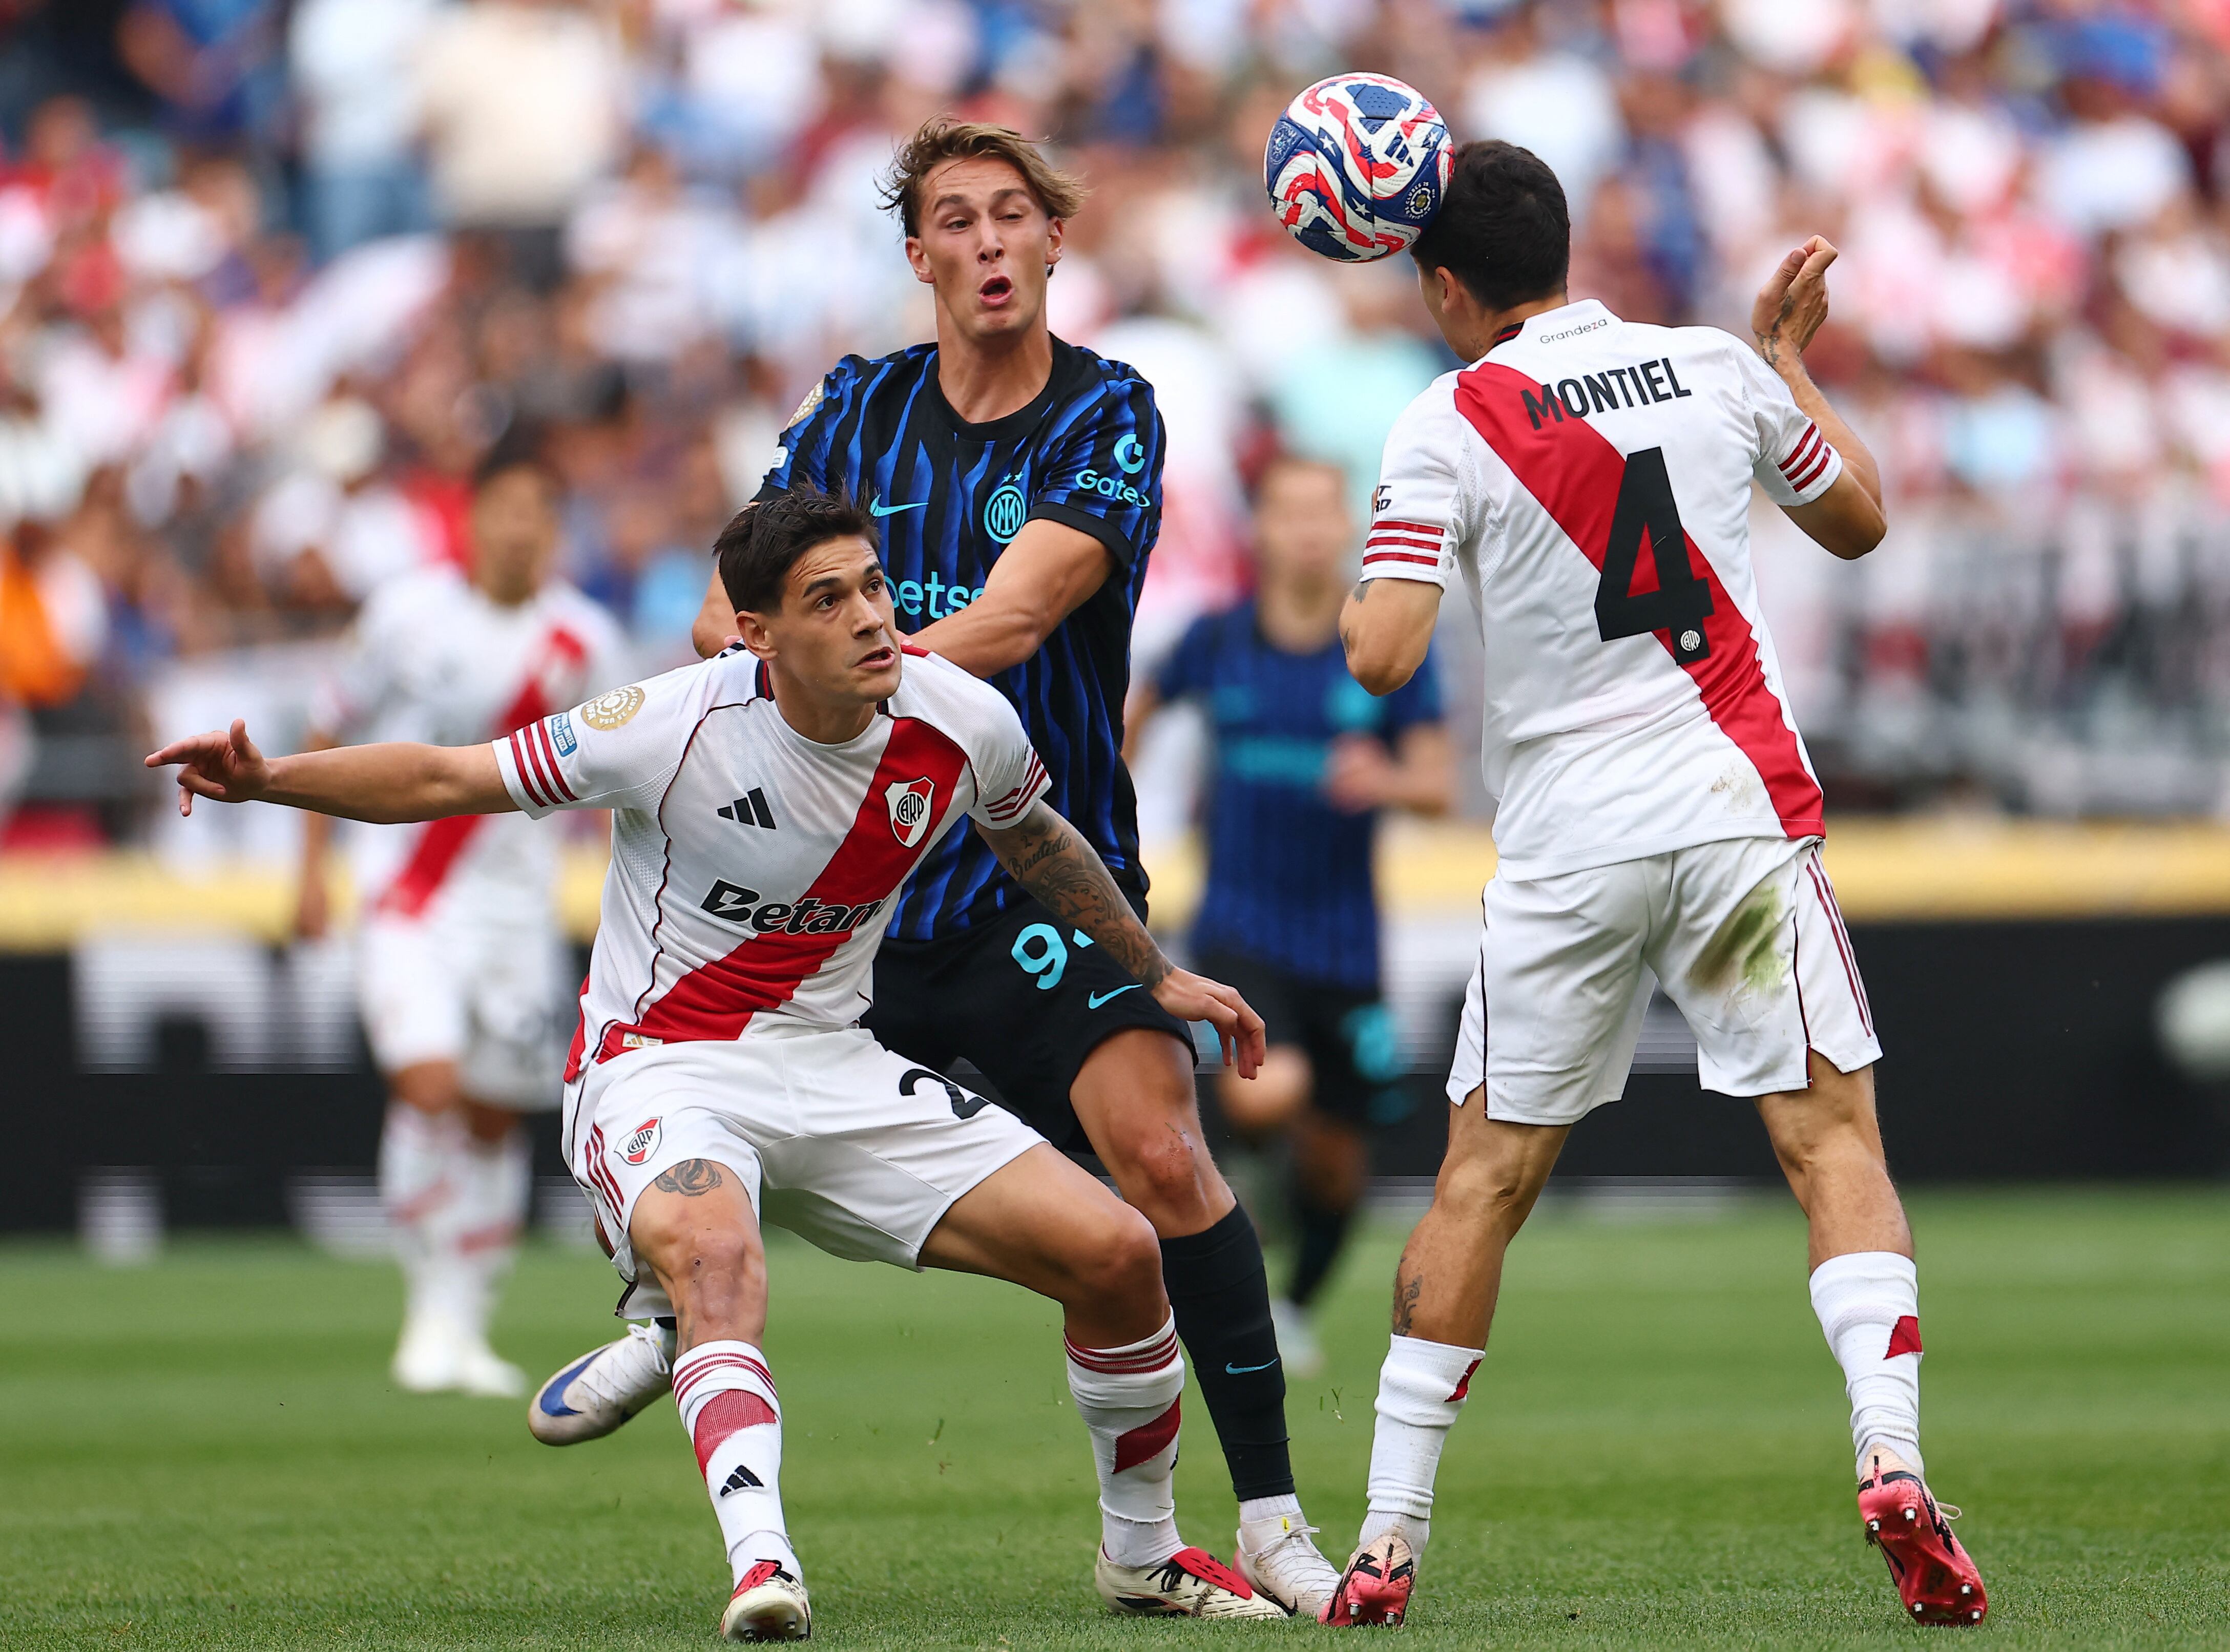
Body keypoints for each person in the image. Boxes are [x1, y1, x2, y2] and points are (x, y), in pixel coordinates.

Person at [151, 490, 1288, 1637]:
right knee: (719, 1256)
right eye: (826, 600)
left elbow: (1032, 835)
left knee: (1118, 1253)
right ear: (756, 634)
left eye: (874, 586)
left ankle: (1141, 1554)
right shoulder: (669, 723)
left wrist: (1155, 974)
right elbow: (449, 777)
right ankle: (763, 1563)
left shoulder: (958, 715)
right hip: (661, 1063)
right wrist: (270, 777)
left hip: (831, 1058)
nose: (871, 618)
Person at [536, 118, 1344, 1614]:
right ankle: (667, 1305)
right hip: (842, 901)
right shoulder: (854, 406)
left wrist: (847, 679)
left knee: (1165, 1159)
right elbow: (724, 613)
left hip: (1031, 876)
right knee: (684, 1081)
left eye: (1012, 215)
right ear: (918, 256)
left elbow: (1022, 616)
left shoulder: (1109, 410)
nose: (987, 242)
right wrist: (792, 680)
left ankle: (1275, 1523)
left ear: (1053, 239)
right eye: (955, 220)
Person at [1319, 142, 1989, 1629]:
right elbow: (1859, 518)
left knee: (1481, 1183)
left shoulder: (1444, 418)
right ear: (1564, 251)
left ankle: (1383, 1538)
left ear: (1444, 286)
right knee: (1829, 1142)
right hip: (1734, 813)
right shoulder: (1709, 364)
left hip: (1568, 847)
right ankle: (1889, 1457)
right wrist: (1786, 362)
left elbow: (1381, 653)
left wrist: (1357, 574)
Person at [296, 433, 627, 1397]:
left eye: (540, 512)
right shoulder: (406, 615)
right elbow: (328, 725)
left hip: (516, 912)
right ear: (473, 516)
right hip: (408, 894)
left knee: (492, 1116)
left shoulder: (585, 640)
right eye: (507, 508)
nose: (522, 528)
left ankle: (469, 1320)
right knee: (428, 1084)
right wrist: (310, 872)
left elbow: (623, 777)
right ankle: (426, 1309)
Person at [1126, 452, 1451, 1376]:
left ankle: (1294, 1305)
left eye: (1322, 511)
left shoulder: (1385, 649)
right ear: (1259, 529)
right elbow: (1131, 718)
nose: (1307, 530)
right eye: (1288, 511)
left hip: (1343, 940)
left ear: (1347, 527)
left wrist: (1387, 778)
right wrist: (1107, 810)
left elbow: (1436, 784)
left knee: (1339, 1161)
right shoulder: (1217, 639)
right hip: (1240, 921)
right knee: (1268, 1090)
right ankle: (1246, 1202)